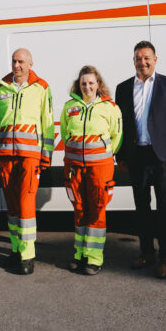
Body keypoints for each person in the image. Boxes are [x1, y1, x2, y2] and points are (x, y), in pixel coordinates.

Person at [115, 41, 166, 279]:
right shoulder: (123, 88)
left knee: (165, 209)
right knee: (141, 209)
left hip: (162, 158)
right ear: (133, 61)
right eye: (137, 58)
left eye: (146, 58)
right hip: (137, 158)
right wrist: (121, 156)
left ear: (155, 59)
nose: (142, 62)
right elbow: (120, 126)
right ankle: (147, 252)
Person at [0, 48, 54, 274]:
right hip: (6, 156)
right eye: (14, 61)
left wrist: (46, 155)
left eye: (21, 62)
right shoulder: (1, 89)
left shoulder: (41, 88)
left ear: (30, 64)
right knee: (12, 206)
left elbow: (47, 123)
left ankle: (27, 257)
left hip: (29, 157)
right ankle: (16, 249)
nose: (16, 65)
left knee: (26, 204)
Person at [60, 65, 122, 275]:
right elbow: (64, 132)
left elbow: (117, 136)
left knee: (97, 210)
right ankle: (80, 255)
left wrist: (103, 153)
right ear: (79, 85)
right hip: (74, 167)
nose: (87, 87)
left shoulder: (109, 107)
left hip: (100, 168)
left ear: (99, 84)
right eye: (84, 83)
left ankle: (94, 259)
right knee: (79, 210)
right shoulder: (70, 107)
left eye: (91, 83)